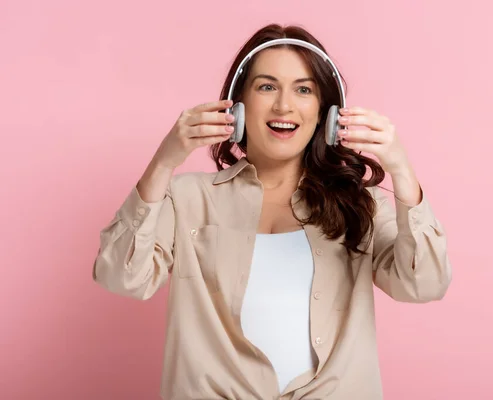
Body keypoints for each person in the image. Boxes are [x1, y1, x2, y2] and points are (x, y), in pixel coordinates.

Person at [92, 23, 452, 400]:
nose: (284, 105)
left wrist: (402, 172)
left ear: (326, 112)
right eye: (267, 86)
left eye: (304, 89)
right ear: (239, 104)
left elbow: (423, 284)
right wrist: (164, 162)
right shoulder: (188, 198)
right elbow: (121, 276)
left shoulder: (360, 204)